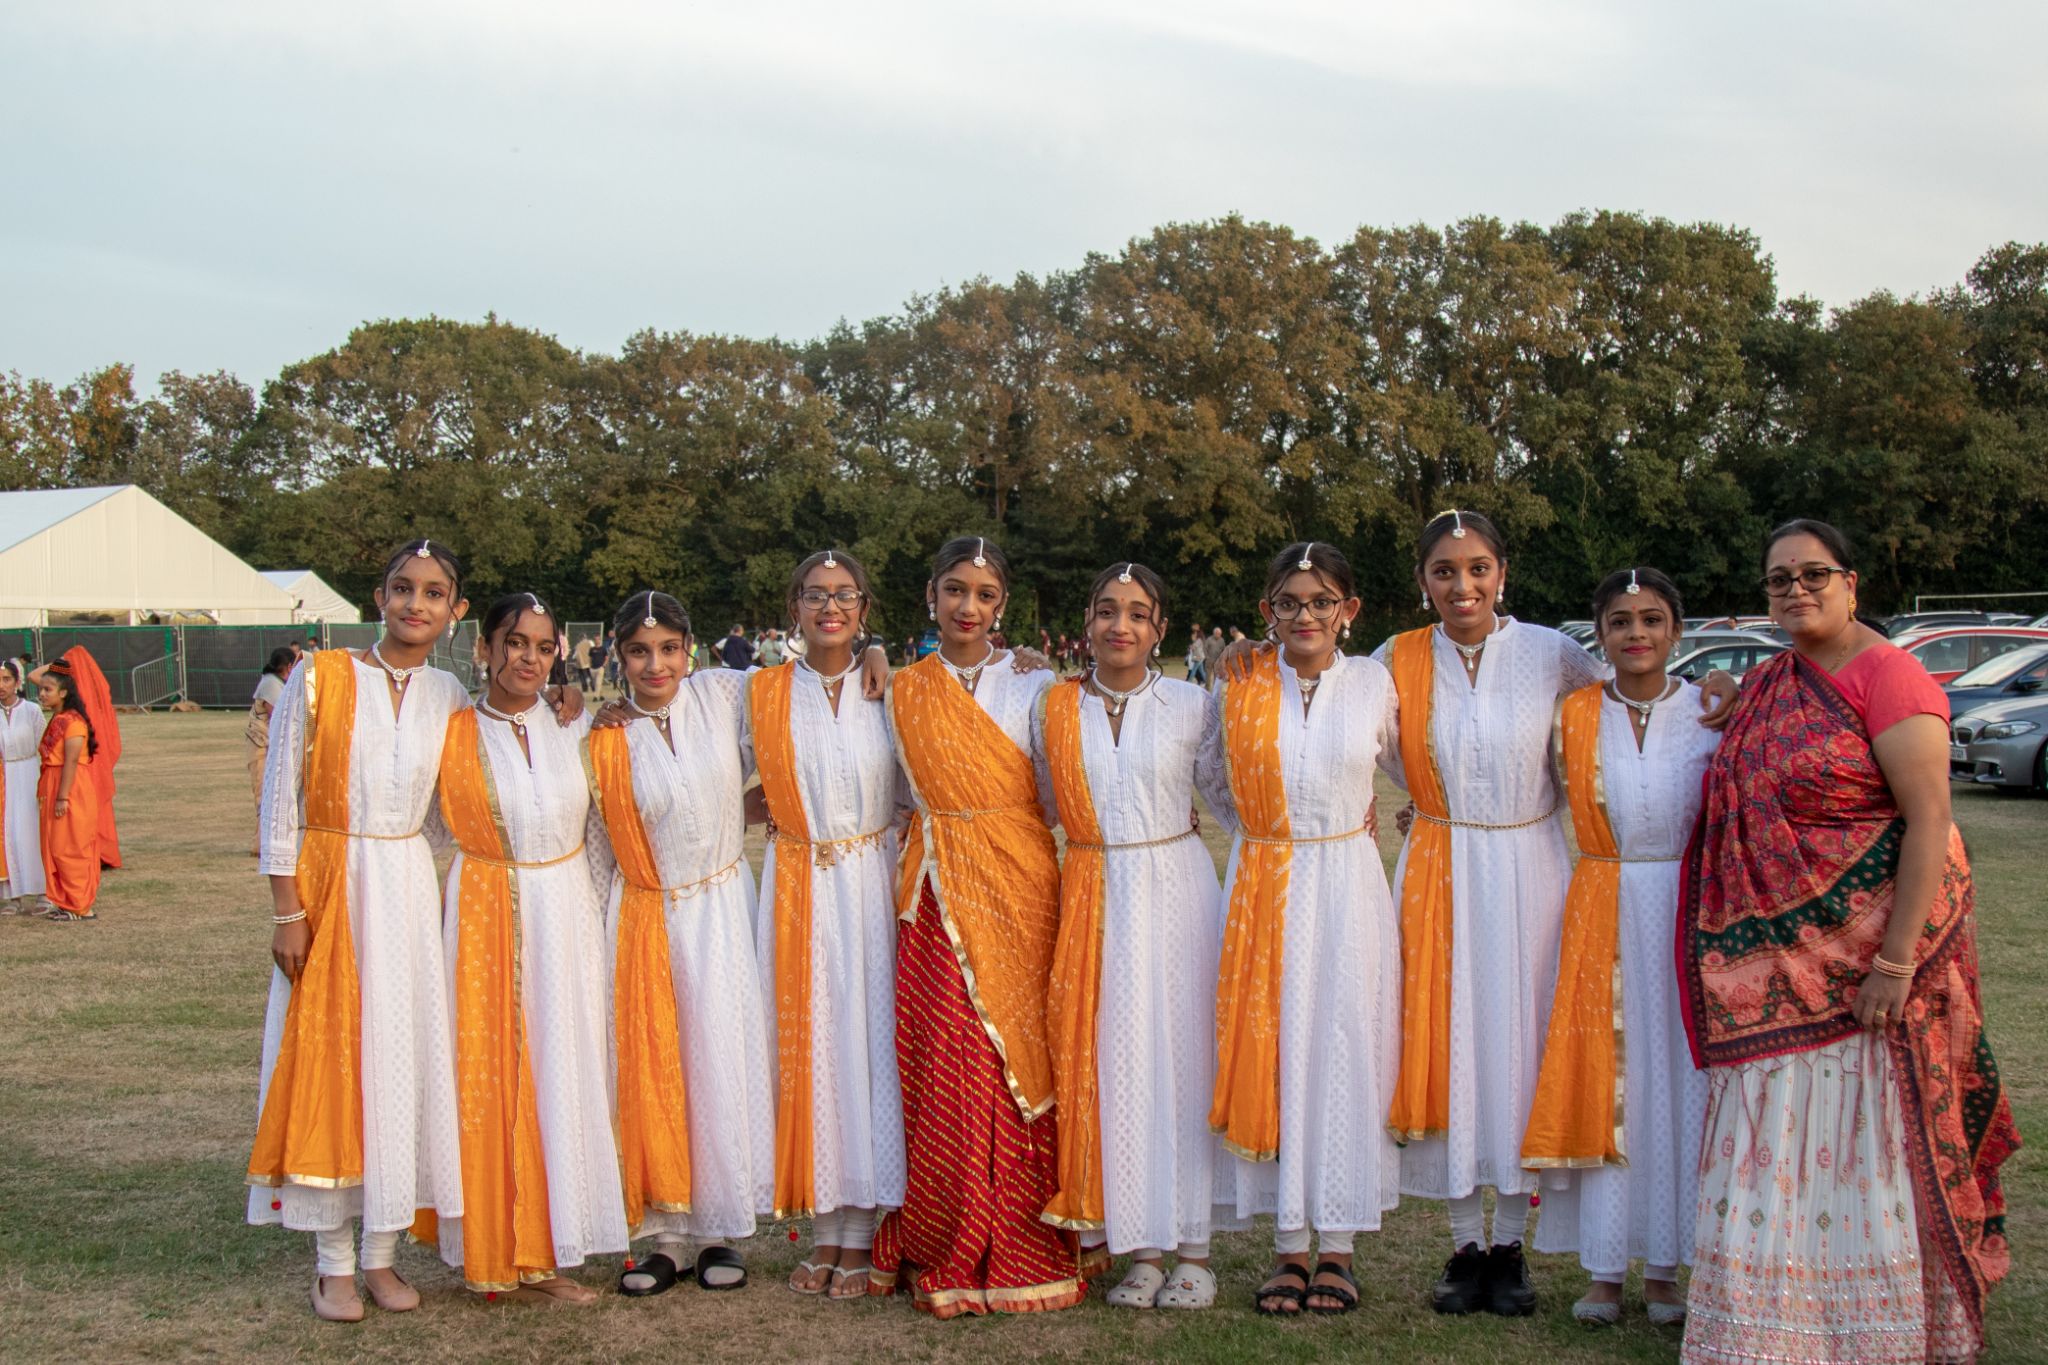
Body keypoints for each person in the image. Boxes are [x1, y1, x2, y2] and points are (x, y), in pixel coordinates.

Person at [1679, 520, 2019, 1365]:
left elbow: (1930, 821)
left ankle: (1874, 1331)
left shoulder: (1891, 675)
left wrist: (1895, 963)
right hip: (1772, 977)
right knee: (1775, 1137)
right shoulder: (1771, 681)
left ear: (1851, 582)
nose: (1796, 589)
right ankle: (1766, 1329)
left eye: (1813, 574)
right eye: (1779, 579)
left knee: (1863, 1146)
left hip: (1869, 974)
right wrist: (1722, 682)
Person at [247, 540, 476, 1323]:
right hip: (331, 883)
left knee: (400, 1062)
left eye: (435, 592)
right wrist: (287, 909)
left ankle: (382, 1253)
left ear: (455, 610)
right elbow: (281, 799)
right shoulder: (322, 675)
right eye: (403, 587)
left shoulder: (449, 692)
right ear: (379, 597)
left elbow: (455, 806)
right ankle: (333, 1264)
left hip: (407, 887)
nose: (417, 603)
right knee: (334, 1064)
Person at [870, 536, 1084, 1317]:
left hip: (1021, 883)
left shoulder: (1036, 684)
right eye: (955, 589)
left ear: (1004, 605)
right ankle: (949, 1226)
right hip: (936, 897)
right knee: (951, 1058)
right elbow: (897, 795)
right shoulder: (899, 689)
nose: (968, 606)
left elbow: (1059, 794)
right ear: (930, 595)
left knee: (1022, 1053)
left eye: (985, 594)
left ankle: (1027, 1227)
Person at [1204, 544, 1400, 1317]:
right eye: (1290, 601)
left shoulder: (1376, 682)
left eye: (1322, 601)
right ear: (1268, 612)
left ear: (1349, 610)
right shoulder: (1240, 679)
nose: (1306, 615)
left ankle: (1339, 1246)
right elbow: (1215, 776)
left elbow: (1415, 766)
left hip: (1349, 886)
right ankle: (1289, 1244)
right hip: (1265, 880)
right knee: (1278, 1046)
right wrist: (1268, 837)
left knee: (1344, 1047)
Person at [1038, 564, 1237, 1311]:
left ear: (1161, 628)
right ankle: (1143, 1250)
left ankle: (1195, 1250)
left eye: (1138, 613)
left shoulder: (1192, 704)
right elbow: (1035, 800)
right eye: (1107, 610)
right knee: (1114, 1061)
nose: (1120, 625)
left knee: (1184, 1060)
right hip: (1093, 893)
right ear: (1086, 621)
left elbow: (1233, 799)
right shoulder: (1051, 705)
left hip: (1178, 891)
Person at [1521, 568, 1716, 1326]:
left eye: (1653, 618)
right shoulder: (1571, 714)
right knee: (1606, 1078)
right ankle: (1604, 1267)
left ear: (1676, 630)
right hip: (1600, 902)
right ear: (1598, 634)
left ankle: (1666, 1269)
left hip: (1684, 912)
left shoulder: (1710, 709)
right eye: (1621, 621)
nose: (1637, 633)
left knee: (1676, 1081)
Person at [419, 593, 623, 1303]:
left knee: (562, 1070)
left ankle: (549, 1246)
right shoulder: (450, 732)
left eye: (542, 646)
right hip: (483, 914)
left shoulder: (576, 725)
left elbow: (599, 837)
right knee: (489, 1071)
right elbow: (419, 829)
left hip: (566, 915)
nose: (528, 658)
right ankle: (493, 1246)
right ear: (484, 648)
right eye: (514, 642)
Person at [591, 591, 771, 1297]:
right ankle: (665, 1235)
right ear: (618, 655)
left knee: (719, 1060)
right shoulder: (603, 737)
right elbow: (597, 847)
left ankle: (721, 1229)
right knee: (655, 1064)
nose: (655, 665)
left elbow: (803, 689)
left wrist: (874, 652)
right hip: (646, 913)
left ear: (690, 649)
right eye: (639, 651)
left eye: (669, 648)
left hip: (722, 909)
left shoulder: (722, 697)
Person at [754, 551, 907, 1301]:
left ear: (864, 608)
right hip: (799, 885)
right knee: (814, 1050)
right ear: (794, 607)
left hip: (874, 884)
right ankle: (825, 1229)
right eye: (815, 595)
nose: (830, 608)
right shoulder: (756, 692)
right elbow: (673, 713)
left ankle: (870, 1225)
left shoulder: (893, 691)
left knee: (872, 1048)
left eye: (845, 595)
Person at [34, 653, 108, 922]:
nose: (42, 694)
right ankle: (67, 903)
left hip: (70, 788)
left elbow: (72, 762)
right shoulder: (58, 717)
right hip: (53, 784)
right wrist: (59, 665)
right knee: (55, 845)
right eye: (41, 689)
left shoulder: (74, 722)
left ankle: (80, 907)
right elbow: (35, 676)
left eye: (48, 690)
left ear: (63, 693)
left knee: (69, 846)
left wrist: (62, 797)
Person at [0, 658, 47, 912]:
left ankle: (43, 893)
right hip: (4, 778)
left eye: (6, 679)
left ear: (17, 682)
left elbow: (44, 745)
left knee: (33, 831)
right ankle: (13, 896)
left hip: (29, 773)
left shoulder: (31, 710)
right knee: (8, 833)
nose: (1, 685)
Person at [246, 648, 298, 857]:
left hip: (269, 747)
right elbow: (277, 717)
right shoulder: (271, 684)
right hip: (261, 747)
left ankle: (269, 843)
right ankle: (261, 845)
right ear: (288, 666)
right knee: (264, 795)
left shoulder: (275, 682)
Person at [1184, 621, 1207, 685]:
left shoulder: (1199, 640)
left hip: (1199, 657)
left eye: (1195, 635)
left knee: (1194, 670)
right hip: (1199, 657)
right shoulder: (1199, 639)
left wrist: (1190, 646)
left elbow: (1194, 647)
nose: (1193, 636)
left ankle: (1189, 682)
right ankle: (1206, 681)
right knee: (1202, 671)